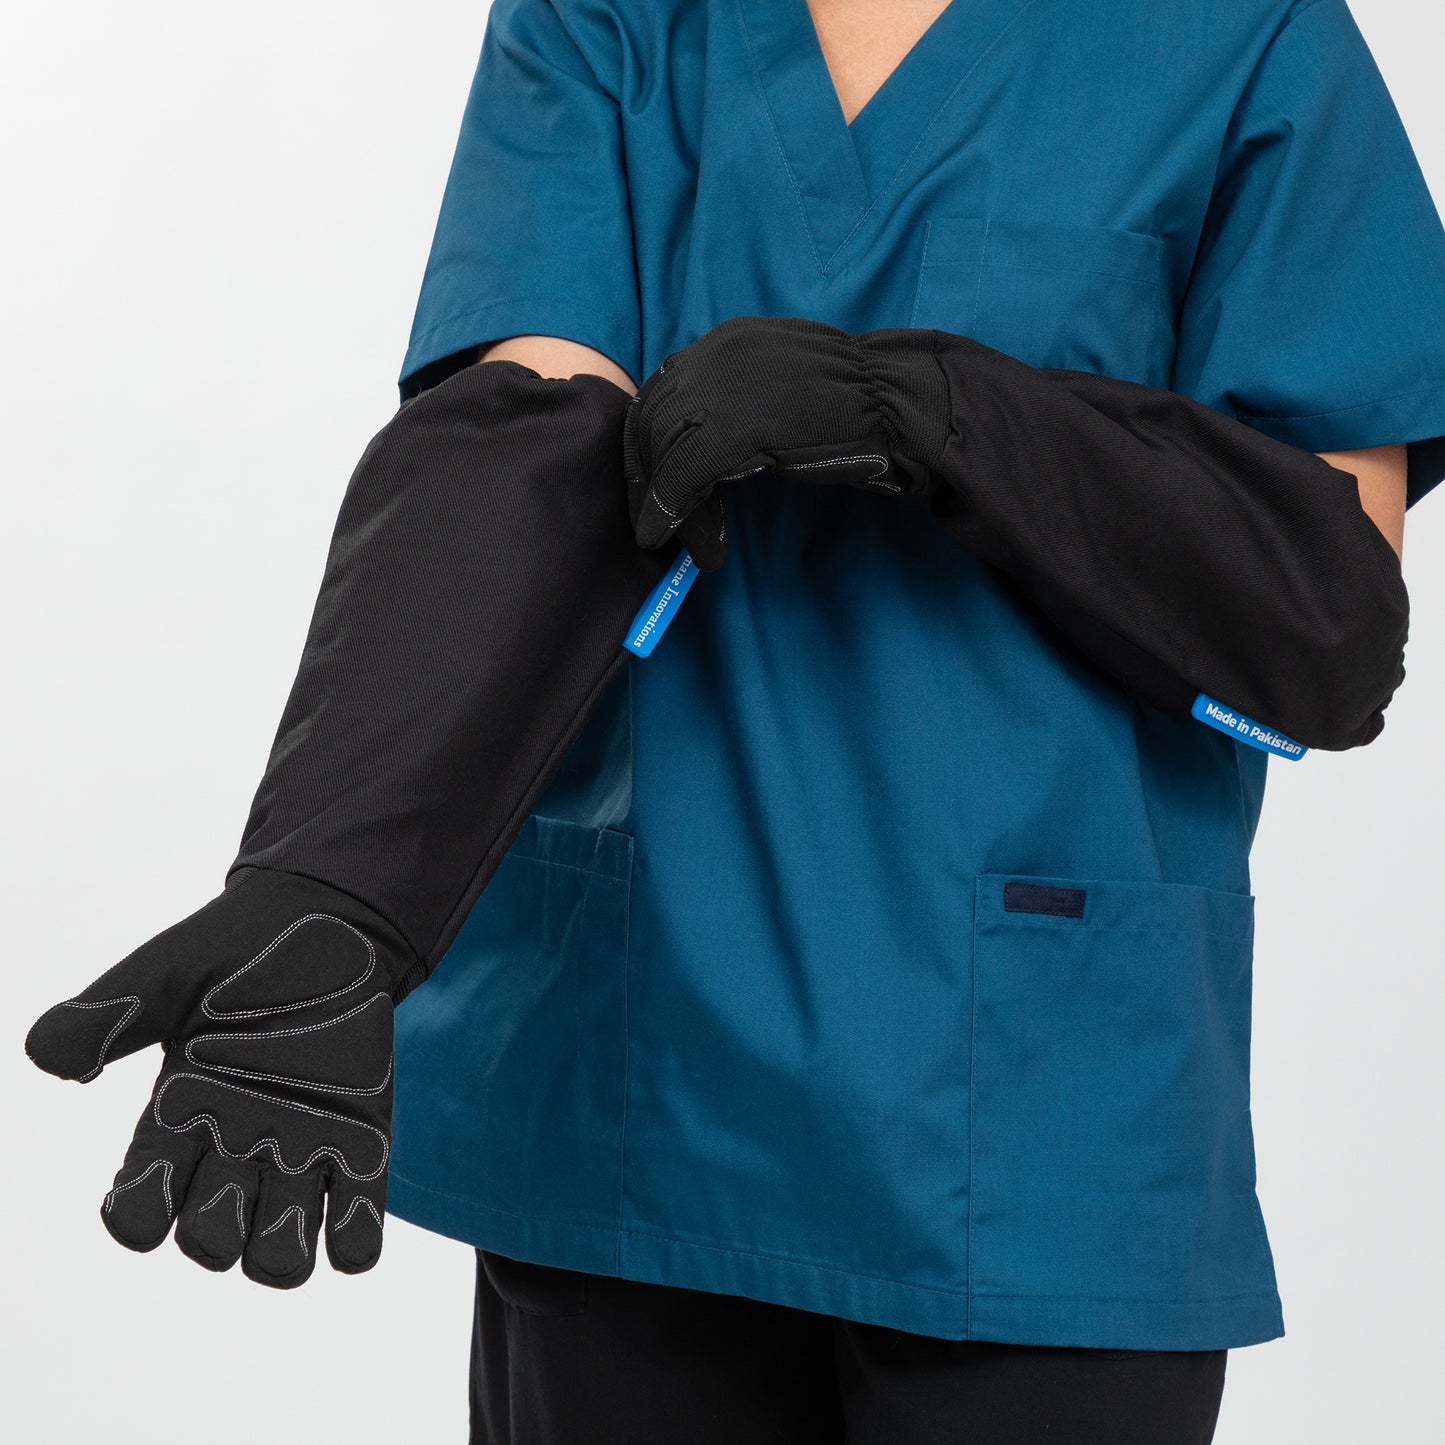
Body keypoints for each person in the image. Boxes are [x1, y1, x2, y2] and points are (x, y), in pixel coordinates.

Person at [23, 2, 1445, 1442]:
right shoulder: (607, 21)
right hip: (637, 1092)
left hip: (1033, 1131)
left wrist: (939, 417)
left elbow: (1318, 610)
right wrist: (335, 880)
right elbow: (520, 450)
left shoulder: (1241, 38)